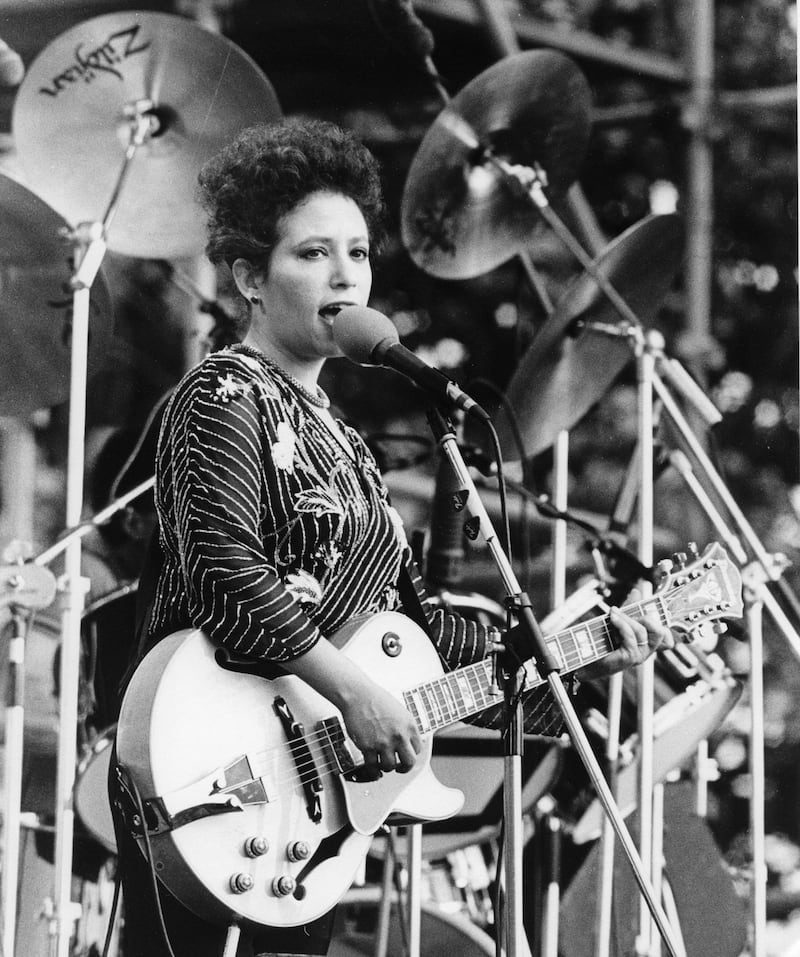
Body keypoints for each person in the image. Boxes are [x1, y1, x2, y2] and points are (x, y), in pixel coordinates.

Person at [109, 118, 674, 957]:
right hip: (201, 765)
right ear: (248, 277)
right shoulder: (221, 393)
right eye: (312, 253)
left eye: (359, 253)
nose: (346, 273)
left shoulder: (349, 448)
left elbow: (425, 637)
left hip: (303, 811)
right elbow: (228, 572)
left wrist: (580, 656)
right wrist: (355, 692)